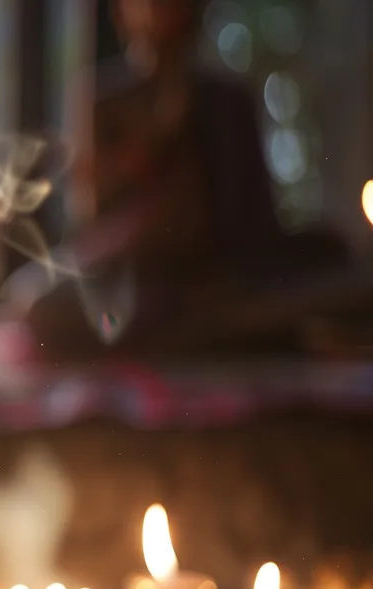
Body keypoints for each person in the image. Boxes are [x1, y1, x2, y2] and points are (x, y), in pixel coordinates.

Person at [29, 0, 297, 356]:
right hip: (136, 281)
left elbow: (259, 219)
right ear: (122, 11)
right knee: (39, 302)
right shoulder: (103, 98)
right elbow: (91, 221)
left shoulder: (227, 99)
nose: (161, 9)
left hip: (222, 285)